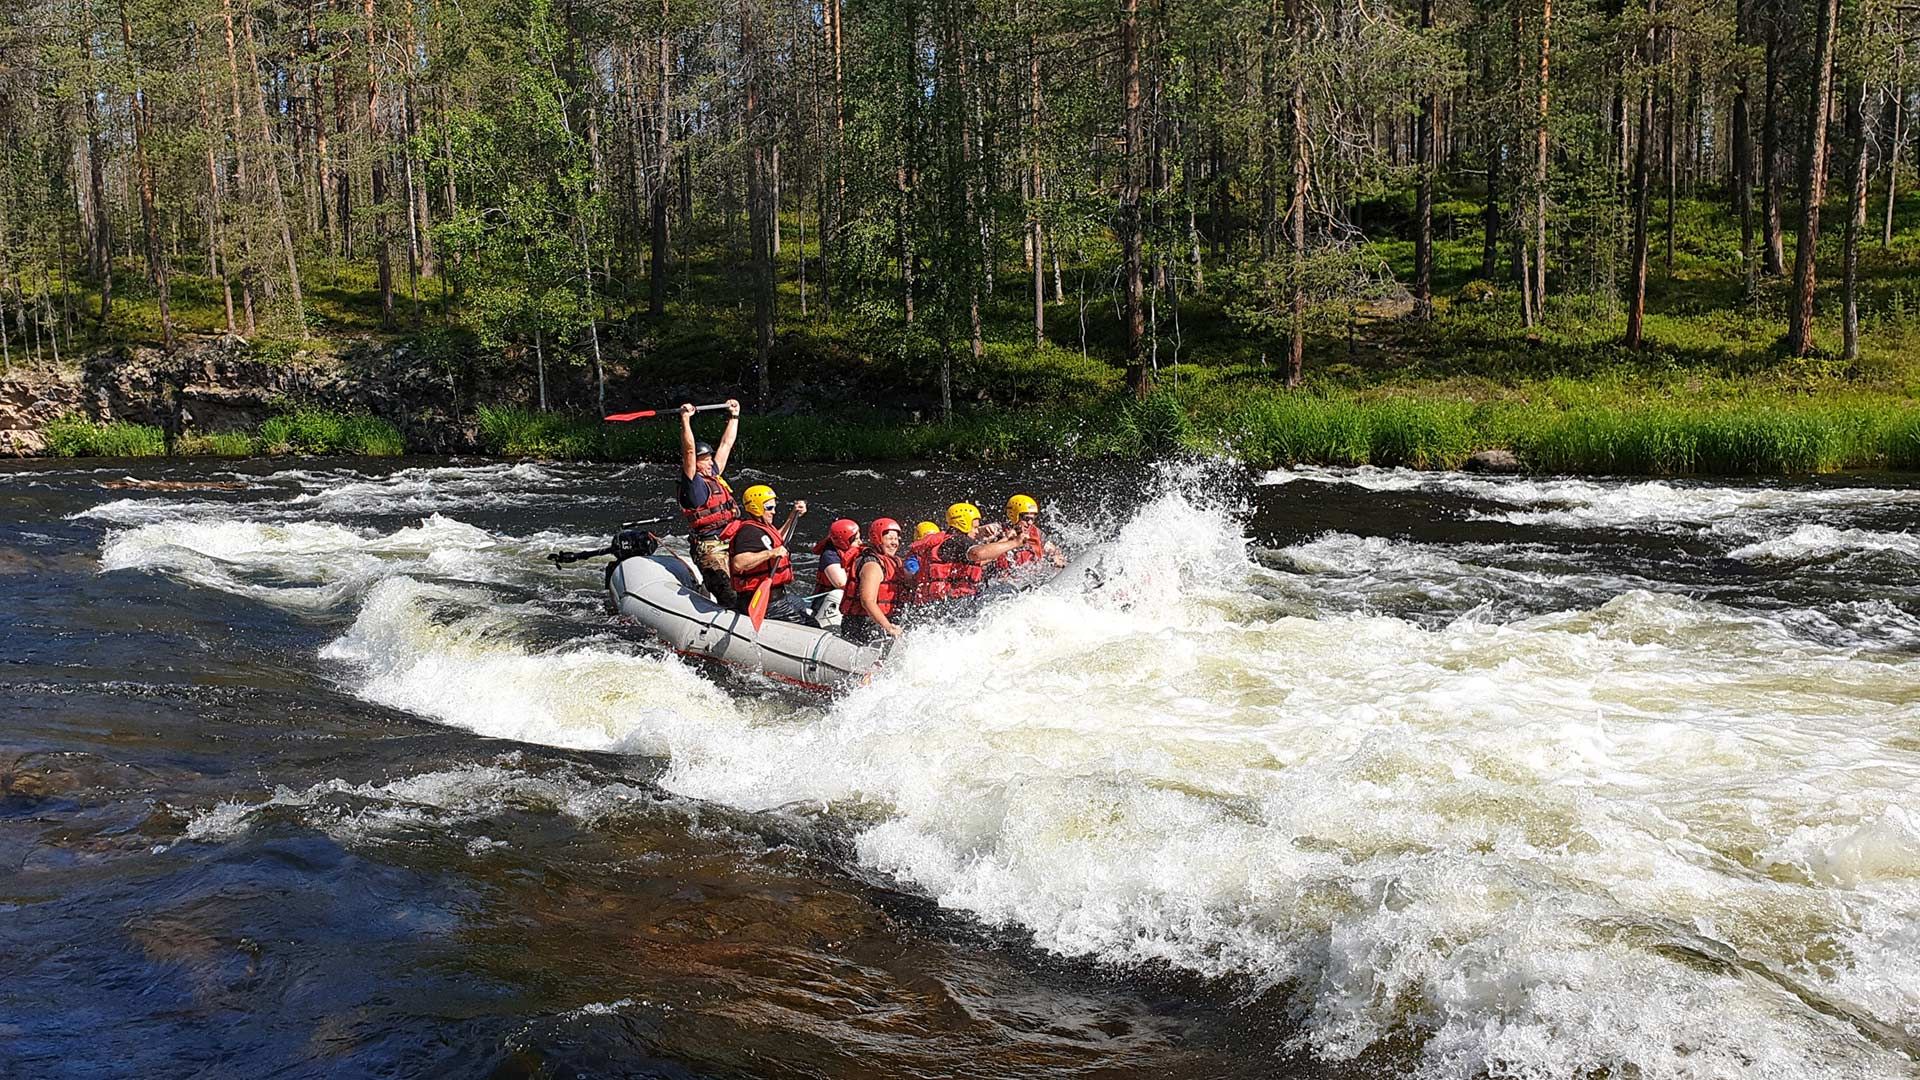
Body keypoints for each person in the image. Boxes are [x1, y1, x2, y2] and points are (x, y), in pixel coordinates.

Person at [677, 399, 742, 605]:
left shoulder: (712, 474)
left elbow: (726, 444)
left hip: (731, 541)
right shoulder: (692, 484)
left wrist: (734, 415)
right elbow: (688, 451)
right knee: (730, 597)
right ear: (695, 463)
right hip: (710, 550)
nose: (709, 462)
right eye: (703, 459)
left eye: (708, 458)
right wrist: (685, 419)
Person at [727, 483, 817, 626]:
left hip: (777, 597)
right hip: (764, 602)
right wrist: (771, 553)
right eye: (769, 508)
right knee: (811, 626)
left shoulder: (762, 527)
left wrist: (793, 516)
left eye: (774, 507)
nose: (774, 512)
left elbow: (778, 541)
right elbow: (739, 563)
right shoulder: (748, 532)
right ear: (756, 507)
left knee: (800, 604)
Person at [908, 502, 1028, 606]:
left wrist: (1006, 539)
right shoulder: (957, 541)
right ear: (963, 524)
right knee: (1006, 590)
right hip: (952, 604)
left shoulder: (950, 542)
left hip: (944, 604)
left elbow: (983, 559)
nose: (977, 531)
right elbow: (978, 553)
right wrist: (1016, 542)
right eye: (975, 527)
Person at [840, 518, 912, 642]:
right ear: (877, 538)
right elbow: (867, 601)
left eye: (896, 539)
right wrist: (889, 627)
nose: (895, 543)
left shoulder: (896, 562)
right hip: (862, 625)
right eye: (890, 538)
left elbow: (911, 583)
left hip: (884, 621)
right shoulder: (872, 565)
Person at [996, 493, 1067, 573]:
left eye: (1032, 519)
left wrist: (1056, 556)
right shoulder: (998, 532)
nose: (1030, 523)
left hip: (1031, 576)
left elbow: (1053, 550)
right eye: (1026, 518)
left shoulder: (1036, 533)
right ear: (1014, 516)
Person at [811, 518, 862, 626]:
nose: (860, 542)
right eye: (856, 539)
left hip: (851, 600)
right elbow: (841, 583)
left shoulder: (857, 551)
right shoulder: (830, 555)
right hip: (825, 602)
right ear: (844, 542)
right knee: (838, 593)